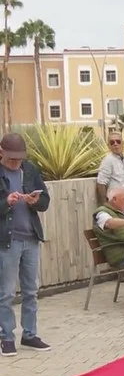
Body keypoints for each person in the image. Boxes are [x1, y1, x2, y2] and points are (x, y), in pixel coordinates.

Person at [0, 133, 51, 356]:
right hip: (8, 241)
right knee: (6, 293)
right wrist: (5, 202)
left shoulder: (30, 169)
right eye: (12, 159)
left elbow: (45, 201)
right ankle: (6, 337)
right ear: (1, 152)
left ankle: (29, 334)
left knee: (31, 291)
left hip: (31, 238)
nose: (16, 163)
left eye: (19, 159)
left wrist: (35, 201)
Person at [96, 131, 124, 215]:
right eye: (112, 142)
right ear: (109, 145)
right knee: (122, 227)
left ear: (123, 143)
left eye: (118, 141)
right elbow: (101, 183)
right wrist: (105, 207)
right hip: (116, 204)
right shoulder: (108, 161)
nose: (115, 144)